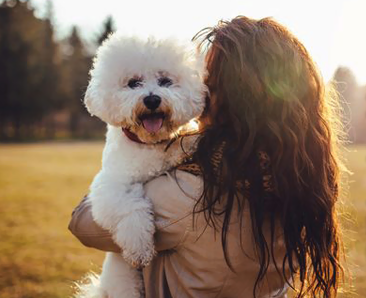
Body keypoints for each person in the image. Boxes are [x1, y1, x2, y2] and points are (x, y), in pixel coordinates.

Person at [69, 16, 344, 297]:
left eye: (209, 84)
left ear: (231, 99)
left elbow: (82, 223)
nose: (203, 94)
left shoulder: (188, 194)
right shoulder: (299, 178)